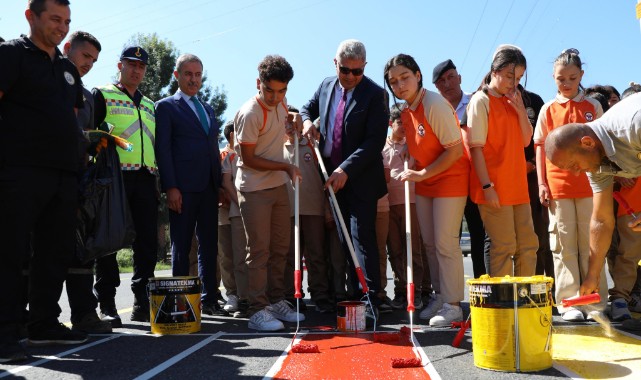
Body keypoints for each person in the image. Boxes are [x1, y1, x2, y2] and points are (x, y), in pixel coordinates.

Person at [0, 0, 88, 363]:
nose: (62, 27)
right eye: (55, 19)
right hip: (19, 169)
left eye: (67, 21)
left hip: (64, 174)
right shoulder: (10, 54)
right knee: (9, 252)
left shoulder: (68, 70)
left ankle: (43, 323)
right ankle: (4, 333)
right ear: (30, 16)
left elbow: (69, 118)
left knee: (54, 253)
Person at [300, 39, 389, 320]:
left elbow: (374, 141)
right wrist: (306, 123)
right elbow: (307, 108)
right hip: (331, 179)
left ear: (364, 68)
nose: (350, 76)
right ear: (335, 64)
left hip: (360, 179)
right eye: (346, 70)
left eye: (357, 71)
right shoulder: (326, 85)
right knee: (343, 241)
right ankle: (355, 297)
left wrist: (346, 170)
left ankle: (371, 297)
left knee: (362, 239)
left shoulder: (375, 95)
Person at [543, 92, 641, 330]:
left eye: (574, 165)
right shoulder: (596, 160)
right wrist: (592, 275)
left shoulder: (633, 123)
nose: (577, 173)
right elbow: (601, 220)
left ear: (586, 143)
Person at [384, 53, 469, 326]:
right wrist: (413, 159)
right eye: (393, 81)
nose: (399, 85)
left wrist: (422, 173)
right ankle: (439, 295)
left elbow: (455, 150)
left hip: (449, 180)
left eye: (405, 77)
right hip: (425, 182)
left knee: (445, 243)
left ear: (418, 75)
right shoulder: (407, 110)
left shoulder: (433, 103)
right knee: (430, 244)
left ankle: (453, 304)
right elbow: (422, 142)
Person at [534, 49, 606, 321]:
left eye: (572, 78)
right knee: (563, 245)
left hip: (590, 185)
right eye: (560, 79)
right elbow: (539, 147)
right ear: (553, 78)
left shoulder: (593, 107)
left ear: (581, 76)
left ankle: (594, 300)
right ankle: (569, 302)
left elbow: (602, 144)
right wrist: (542, 183)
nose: (566, 84)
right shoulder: (547, 109)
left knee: (591, 244)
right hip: (558, 187)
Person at [234, 55, 303, 331]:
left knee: (281, 249)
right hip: (254, 189)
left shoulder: (281, 103)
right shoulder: (250, 113)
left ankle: (276, 301)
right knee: (259, 251)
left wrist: (295, 120)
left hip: (277, 186)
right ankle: (257, 309)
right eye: (270, 90)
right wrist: (285, 167)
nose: (276, 97)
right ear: (258, 84)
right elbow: (248, 158)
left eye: (282, 91)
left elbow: (288, 120)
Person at [155, 53, 225, 316]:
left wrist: (218, 185)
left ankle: (209, 300)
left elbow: (211, 148)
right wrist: (170, 186)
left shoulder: (207, 108)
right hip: (181, 189)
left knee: (209, 246)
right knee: (181, 247)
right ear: (177, 75)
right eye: (188, 74)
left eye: (197, 75)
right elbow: (163, 150)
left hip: (208, 188)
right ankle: (180, 304)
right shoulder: (166, 107)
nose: (193, 79)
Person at [93, 45, 157, 326]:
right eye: (131, 64)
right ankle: (107, 303)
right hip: (114, 177)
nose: (136, 70)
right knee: (109, 240)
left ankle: (142, 303)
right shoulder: (103, 94)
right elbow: (91, 135)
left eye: (141, 66)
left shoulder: (150, 104)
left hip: (145, 178)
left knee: (147, 243)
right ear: (120, 66)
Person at [465, 46, 538, 277]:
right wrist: (487, 187)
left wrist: (520, 111)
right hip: (494, 187)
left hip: (518, 188)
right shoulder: (481, 100)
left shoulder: (513, 101)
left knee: (528, 245)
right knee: (504, 246)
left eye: (517, 78)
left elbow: (527, 140)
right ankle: (503, 304)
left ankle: (525, 300)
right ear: (494, 70)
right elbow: (475, 149)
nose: (513, 83)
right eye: (509, 76)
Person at [61, 31, 112, 334]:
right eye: (85, 56)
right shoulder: (48, 82)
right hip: (44, 176)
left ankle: (83, 314)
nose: (89, 64)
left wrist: (95, 143)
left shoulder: (90, 96)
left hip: (79, 181)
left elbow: (88, 132)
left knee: (81, 249)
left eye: (94, 60)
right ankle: (25, 317)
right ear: (68, 49)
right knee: (37, 251)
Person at [432, 59, 486, 278]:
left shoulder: (476, 102)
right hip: (446, 184)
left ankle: (483, 292)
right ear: (436, 87)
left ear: (460, 78)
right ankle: (449, 298)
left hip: (474, 181)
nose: (447, 84)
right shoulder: (434, 109)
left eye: (451, 77)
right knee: (448, 242)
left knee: (479, 238)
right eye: (441, 81)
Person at [283, 107, 333, 314]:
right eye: (284, 122)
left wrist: (327, 206)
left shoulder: (312, 145)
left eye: (291, 121)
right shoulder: (277, 148)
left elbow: (325, 176)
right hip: (287, 210)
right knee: (290, 256)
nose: (289, 125)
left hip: (313, 208)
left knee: (316, 254)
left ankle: (320, 295)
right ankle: (292, 295)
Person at [383, 105, 425, 311]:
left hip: (411, 202)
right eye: (400, 123)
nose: (403, 128)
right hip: (389, 205)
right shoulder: (381, 147)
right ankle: (400, 291)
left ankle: (416, 292)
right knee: (395, 251)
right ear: (391, 124)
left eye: (407, 124)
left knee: (413, 249)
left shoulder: (413, 145)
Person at [220, 121, 249, 318]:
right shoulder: (223, 154)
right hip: (225, 211)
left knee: (245, 256)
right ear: (231, 135)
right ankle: (232, 294)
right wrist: (237, 202)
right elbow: (223, 181)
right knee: (227, 256)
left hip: (244, 210)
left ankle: (248, 296)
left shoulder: (248, 152)